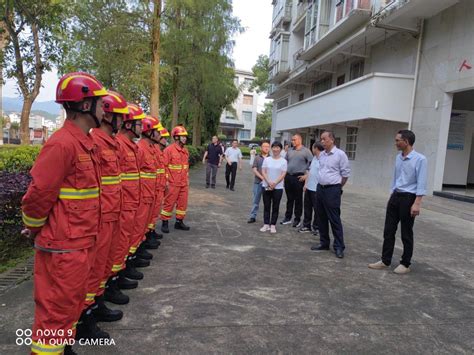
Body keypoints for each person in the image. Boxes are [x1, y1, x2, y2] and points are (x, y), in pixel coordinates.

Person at [21, 72, 107, 354]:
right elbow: (38, 195)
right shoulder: (62, 144)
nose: (103, 109)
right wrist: (33, 226)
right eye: (98, 103)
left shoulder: (85, 143)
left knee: (69, 309)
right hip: (62, 249)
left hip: (79, 244)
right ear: (84, 106)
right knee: (54, 318)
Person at [84, 91, 128, 328]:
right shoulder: (95, 144)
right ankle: (87, 316)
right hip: (97, 220)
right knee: (93, 269)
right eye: (120, 117)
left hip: (112, 213)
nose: (125, 122)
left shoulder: (108, 143)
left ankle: (97, 303)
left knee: (103, 265)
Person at [368, 130, 427, 274]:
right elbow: (396, 178)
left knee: (406, 232)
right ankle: (385, 260)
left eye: (397, 140)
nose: (395, 143)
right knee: (388, 230)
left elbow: (422, 182)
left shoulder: (420, 159)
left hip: (409, 198)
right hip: (396, 196)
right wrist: (391, 195)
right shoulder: (398, 158)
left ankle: (405, 263)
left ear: (406, 141)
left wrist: (417, 203)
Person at [113, 103, 145, 288]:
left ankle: (122, 271)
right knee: (120, 243)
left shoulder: (130, 147)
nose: (140, 127)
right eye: (138, 123)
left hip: (131, 203)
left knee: (126, 240)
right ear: (127, 125)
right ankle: (114, 280)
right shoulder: (119, 146)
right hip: (121, 206)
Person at [311, 131, 350, 259]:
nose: (322, 141)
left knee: (334, 218)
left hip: (333, 189)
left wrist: (338, 187)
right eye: (321, 139)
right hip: (320, 189)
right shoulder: (321, 155)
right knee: (321, 217)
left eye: (324, 139)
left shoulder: (340, 155)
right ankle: (324, 242)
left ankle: (339, 246)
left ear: (332, 139)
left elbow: (345, 175)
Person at [161, 125, 191, 233]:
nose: (185, 138)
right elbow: (164, 166)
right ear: (176, 137)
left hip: (183, 183)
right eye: (182, 136)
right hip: (172, 183)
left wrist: (187, 179)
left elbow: (186, 166)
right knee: (169, 203)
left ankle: (179, 222)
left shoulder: (185, 151)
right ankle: (165, 222)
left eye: (185, 136)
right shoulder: (169, 150)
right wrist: (166, 181)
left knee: (182, 203)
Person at [280, 134, 313, 227]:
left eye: (294, 140)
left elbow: (312, 164)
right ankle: (288, 217)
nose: (292, 141)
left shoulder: (306, 151)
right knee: (289, 199)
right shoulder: (289, 150)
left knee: (298, 199)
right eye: (292, 140)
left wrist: (306, 175)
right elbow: (285, 163)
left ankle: (297, 219)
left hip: (299, 177)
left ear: (300, 140)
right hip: (288, 177)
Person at [260, 141, 288, 234]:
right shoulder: (267, 159)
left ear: (280, 149)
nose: (276, 149)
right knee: (266, 206)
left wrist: (275, 183)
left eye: (278, 147)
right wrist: (268, 182)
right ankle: (266, 224)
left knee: (275, 206)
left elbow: (283, 174)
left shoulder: (283, 161)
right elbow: (263, 171)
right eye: (274, 147)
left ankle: (273, 225)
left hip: (278, 187)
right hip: (266, 185)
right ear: (272, 148)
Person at [299, 141, 324, 234]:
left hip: (317, 189)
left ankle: (317, 227)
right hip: (309, 188)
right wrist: (306, 184)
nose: (312, 149)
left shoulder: (323, 159)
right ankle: (306, 225)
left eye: (313, 147)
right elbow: (309, 172)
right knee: (307, 208)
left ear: (316, 148)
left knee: (317, 209)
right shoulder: (314, 158)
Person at [247, 140, 271, 223]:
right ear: (261, 148)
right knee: (256, 200)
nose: (266, 148)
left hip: (268, 184)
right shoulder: (257, 158)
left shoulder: (271, 158)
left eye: (268, 146)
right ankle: (253, 216)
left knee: (267, 201)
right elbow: (254, 169)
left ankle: (267, 218)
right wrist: (262, 178)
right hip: (258, 183)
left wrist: (267, 180)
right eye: (265, 146)